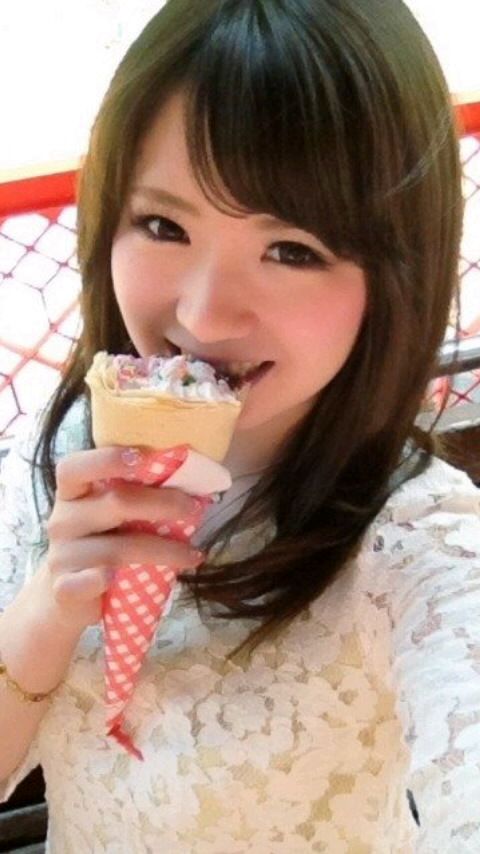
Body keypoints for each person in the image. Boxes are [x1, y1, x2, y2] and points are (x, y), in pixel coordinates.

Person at [1, 0, 479, 850]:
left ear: (395, 276)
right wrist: (48, 608)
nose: (203, 315)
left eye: (291, 250)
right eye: (163, 225)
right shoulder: (58, 449)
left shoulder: (415, 538)